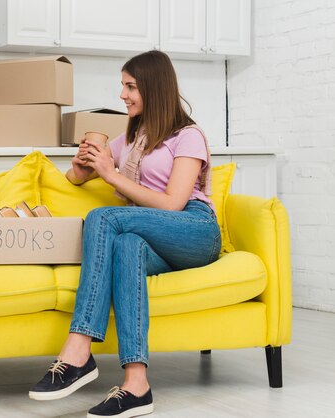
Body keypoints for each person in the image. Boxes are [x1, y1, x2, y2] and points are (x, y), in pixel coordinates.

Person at [29, 50, 221, 417]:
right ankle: (137, 385)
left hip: (194, 229)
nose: (123, 94)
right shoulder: (132, 139)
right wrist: (82, 167)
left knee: (104, 218)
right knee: (128, 246)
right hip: (152, 237)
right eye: (123, 85)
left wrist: (111, 174)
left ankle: (78, 350)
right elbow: (76, 177)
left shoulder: (188, 136)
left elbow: (172, 204)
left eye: (130, 86)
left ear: (154, 88)